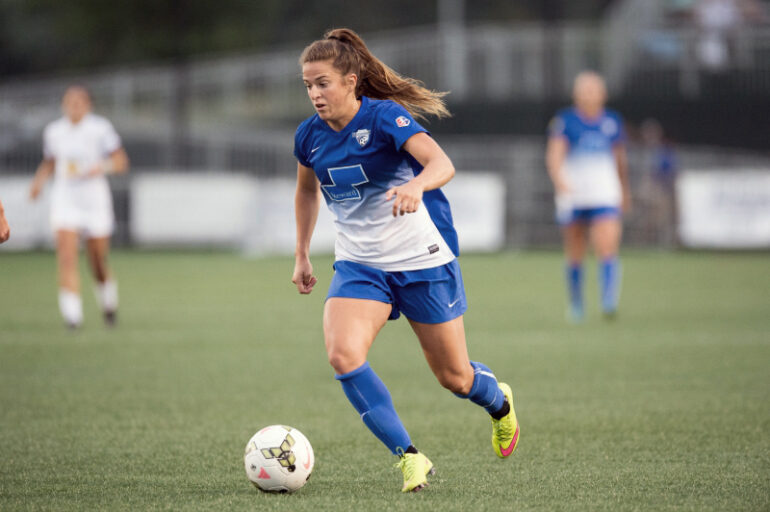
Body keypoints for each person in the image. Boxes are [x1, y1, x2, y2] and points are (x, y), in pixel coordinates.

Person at [291, 28, 520, 493]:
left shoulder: (384, 118)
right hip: (360, 266)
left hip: (421, 260)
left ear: (351, 81)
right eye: (308, 85)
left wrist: (417, 185)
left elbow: (442, 164)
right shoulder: (308, 137)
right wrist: (301, 253)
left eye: (323, 83)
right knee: (343, 355)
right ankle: (409, 458)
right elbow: (305, 189)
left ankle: (499, 402)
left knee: (455, 378)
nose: (315, 94)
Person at [29, 86, 129, 329]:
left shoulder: (100, 129)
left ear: (88, 105)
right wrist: (38, 182)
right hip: (66, 200)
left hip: (94, 201)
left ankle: (108, 304)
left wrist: (101, 167)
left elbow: (120, 161)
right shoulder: (54, 131)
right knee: (66, 257)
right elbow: (51, 161)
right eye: (69, 102)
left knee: (97, 260)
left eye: (78, 102)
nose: (73, 106)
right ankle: (72, 317)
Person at [545, 71, 631, 321]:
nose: (588, 94)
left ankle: (608, 301)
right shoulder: (565, 121)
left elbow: (619, 160)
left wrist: (624, 190)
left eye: (593, 89)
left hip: (605, 193)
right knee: (575, 249)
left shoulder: (612, 121)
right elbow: (554, 155)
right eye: (583, 89)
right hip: (574, 194)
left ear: (603, 94)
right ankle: (576, 303)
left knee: (607, 245)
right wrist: (561, 182)